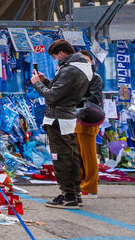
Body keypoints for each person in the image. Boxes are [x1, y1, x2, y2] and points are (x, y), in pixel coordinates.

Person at [30, 39, 93, 209]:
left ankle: (68, 195)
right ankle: (74, 193)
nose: (56, 61)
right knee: (71, 156)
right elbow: (61, 92)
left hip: (58, 119)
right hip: (69, 117)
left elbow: (52, 96)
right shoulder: (83, 67)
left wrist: (36, 83)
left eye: (55, 57)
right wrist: (46, 81)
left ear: (62, 54)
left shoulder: (70, 70)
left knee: (61, 158)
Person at [75, 50, 106, 197]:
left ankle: (89, 185)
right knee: (77, 153)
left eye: (86, 60)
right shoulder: (76, 77)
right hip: (75, 118)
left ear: (92, 62)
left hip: (88, 118)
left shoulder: (95, 78)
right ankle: (80, 182)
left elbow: (94, 99)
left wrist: (76, 101)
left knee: (88, 154)